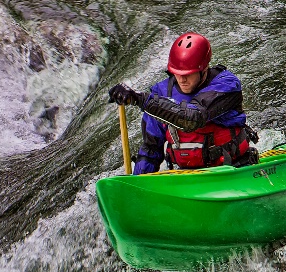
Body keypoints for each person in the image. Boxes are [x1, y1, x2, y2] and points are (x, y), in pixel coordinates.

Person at [108, 32, 258, 174]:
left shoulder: (226, 85)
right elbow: (151, 150)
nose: (182, 79)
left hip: (234, 170)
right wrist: (137, 185)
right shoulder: (161, 93)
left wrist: (140, 99)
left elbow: (192, 117)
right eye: (177, 73)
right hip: (186, 178)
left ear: (204, 68)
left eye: (188, 74)